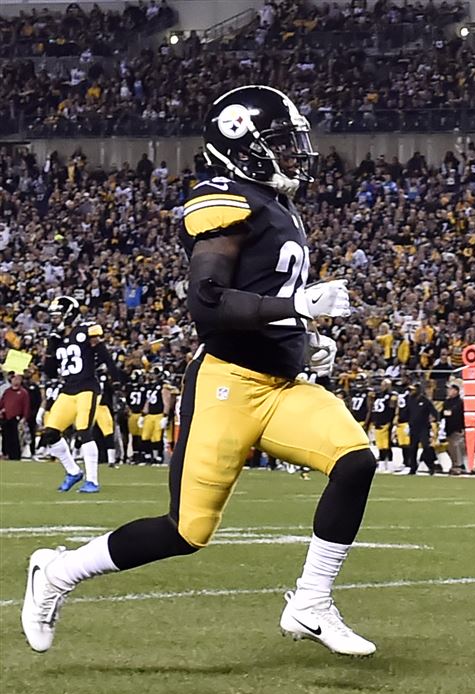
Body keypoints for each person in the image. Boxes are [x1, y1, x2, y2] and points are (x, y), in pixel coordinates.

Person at [22, 86, 379, 657]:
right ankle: (58, 572)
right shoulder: (223, 199)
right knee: (186, 531)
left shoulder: (274, 204)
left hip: (280, 386)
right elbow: (208, 302)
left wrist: (305, 340)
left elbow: (266, 295)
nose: (291, 154)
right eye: (278, 143)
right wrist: (299, 307)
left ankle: (310, 602)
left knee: (355, 461)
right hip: (227, 385)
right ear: (239, 143)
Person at [39, 295, 127, 492]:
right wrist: (51, 350)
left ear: (70, 314)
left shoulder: (87, 330)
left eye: (57, 315)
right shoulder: (57, 338)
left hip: (87, 387)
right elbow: (50, 371)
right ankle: (73, 471)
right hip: (68, 389)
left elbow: (106, 358)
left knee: (83, 430)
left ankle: (92, 481)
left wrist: (117, 382)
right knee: (50, 433)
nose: (54, 319)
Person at [405, 382, 439, 475]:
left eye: (413, 390)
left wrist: (436, 421)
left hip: (423, 427)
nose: (411, 391)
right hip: (413, 427)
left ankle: (431, 466)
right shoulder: (410, 400)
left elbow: (434, 412)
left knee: (426, 447)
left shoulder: (425, 401)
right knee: (412, 448)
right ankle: (413, 468)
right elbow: (406, 412)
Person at [1, 372, 31, 460]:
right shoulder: (7, 392)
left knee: (16, 438)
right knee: (6, 437)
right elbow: (2, 403)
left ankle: (15, 456)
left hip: (17, 418)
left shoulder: (23, 393)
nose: (16, 380)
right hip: (6, 418)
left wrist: (24, 418)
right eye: (14, 378)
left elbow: (26, 406)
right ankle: (6, 453)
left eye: (18, 378)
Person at [441, 382, 466, 474]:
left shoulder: (460, 402)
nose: (448, 391)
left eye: (450, 389)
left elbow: (460, 415)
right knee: (451, 449)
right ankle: (454, 464)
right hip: (448, 429)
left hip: (457, 428)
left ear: (456, 391)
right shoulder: (446, 402)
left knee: (456, 448)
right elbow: (443, 413)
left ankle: (458, 466)